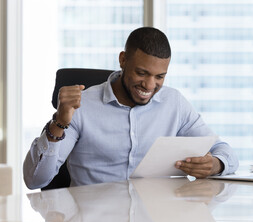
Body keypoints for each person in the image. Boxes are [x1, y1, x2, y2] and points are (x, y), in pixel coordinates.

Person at [23, 27, 239, 190]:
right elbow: (34, 180)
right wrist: (59, 123)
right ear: (123, 59)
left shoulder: (174, 103)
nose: (150, 85)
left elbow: (225, 151)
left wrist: (216, 164)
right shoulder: (83, 106)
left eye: (159, 76)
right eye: (142, 73)